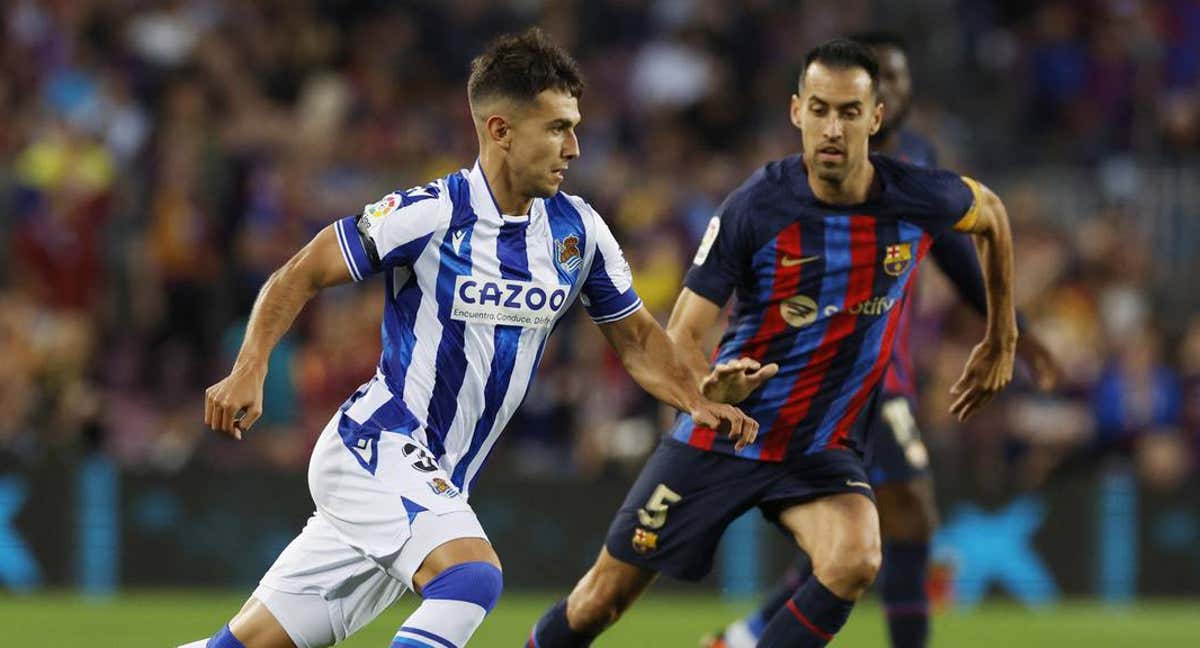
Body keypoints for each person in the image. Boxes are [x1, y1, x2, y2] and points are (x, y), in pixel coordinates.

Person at [180, 28, 758, 648]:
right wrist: (251, 365)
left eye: (575, 126)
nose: (574, 146)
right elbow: (301, 271)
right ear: (500, 130)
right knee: (472, 576)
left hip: (438, 477)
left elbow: (639, 339)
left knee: (243, 646)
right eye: (557, 128)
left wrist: (697, 397)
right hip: (378, 444)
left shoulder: (578, 231)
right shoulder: (431, 212)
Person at [527, 38, 1019, 648]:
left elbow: (991, 214)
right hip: (725, 433)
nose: (832, 128)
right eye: (819, 110)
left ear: (876, 117)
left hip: (817, 449)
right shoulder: (756, 207)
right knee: (599, 601)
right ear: (796, 113)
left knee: (857, 556)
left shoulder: (916, 197)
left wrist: (1002, 337)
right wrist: (708, 386)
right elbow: (680, 333)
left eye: (847, 112)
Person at [703, 31, 1061, 648]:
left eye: (893, 82)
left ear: (892, 102)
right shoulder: (804, 177)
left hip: (881, 366)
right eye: (874, 82)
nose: (884, 93)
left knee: (866, 529)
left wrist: (1012, 331)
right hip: (824, 370)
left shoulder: (916, 169)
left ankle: (745, 636)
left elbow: (954, 251)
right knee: (903, 514)